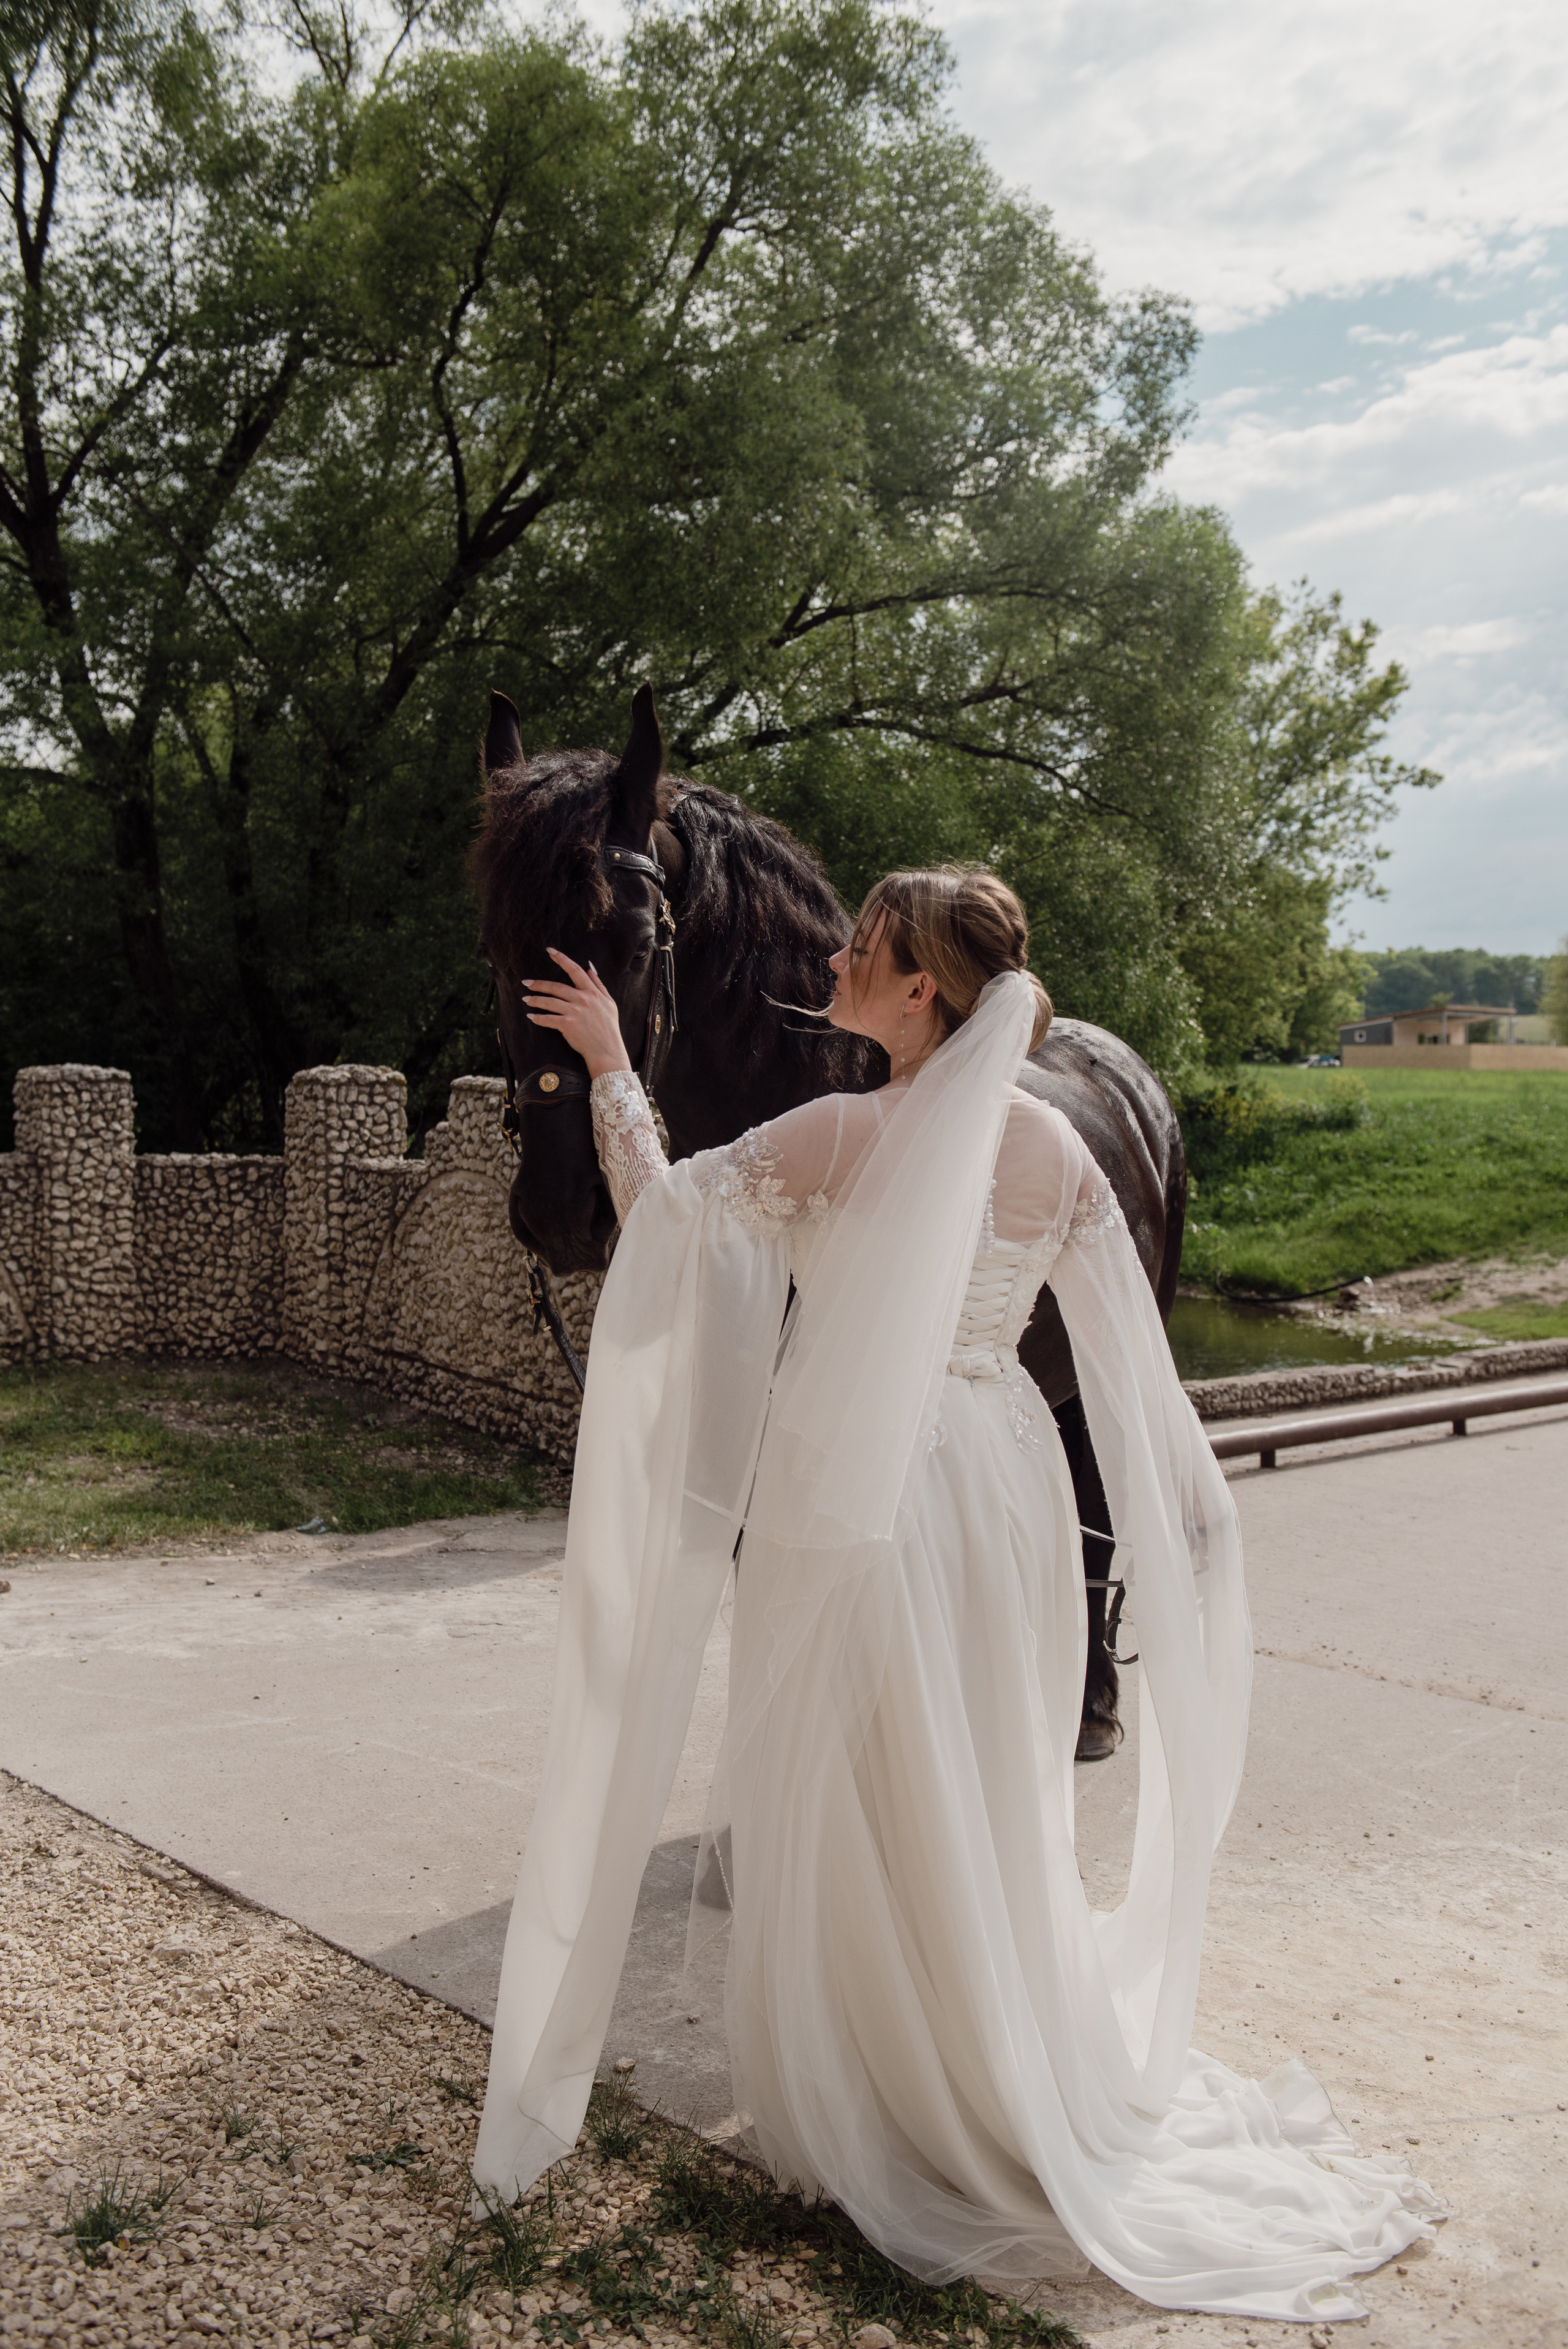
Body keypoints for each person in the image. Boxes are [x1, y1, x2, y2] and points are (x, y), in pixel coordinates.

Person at [472, 866, 1439, 2322]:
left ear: (919, 989)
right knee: (981, 1771)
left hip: (859, 1487)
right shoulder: (1053, 1147)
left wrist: (613, 1064)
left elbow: (663, 1224)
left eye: (861, 949)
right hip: (1004, 1485)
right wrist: (1183, 1527)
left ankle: (891, 2090)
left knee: (860, 1776)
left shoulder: (843, 1134)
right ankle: (995, 2051)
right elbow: (1127, 1367)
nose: (838, 963)